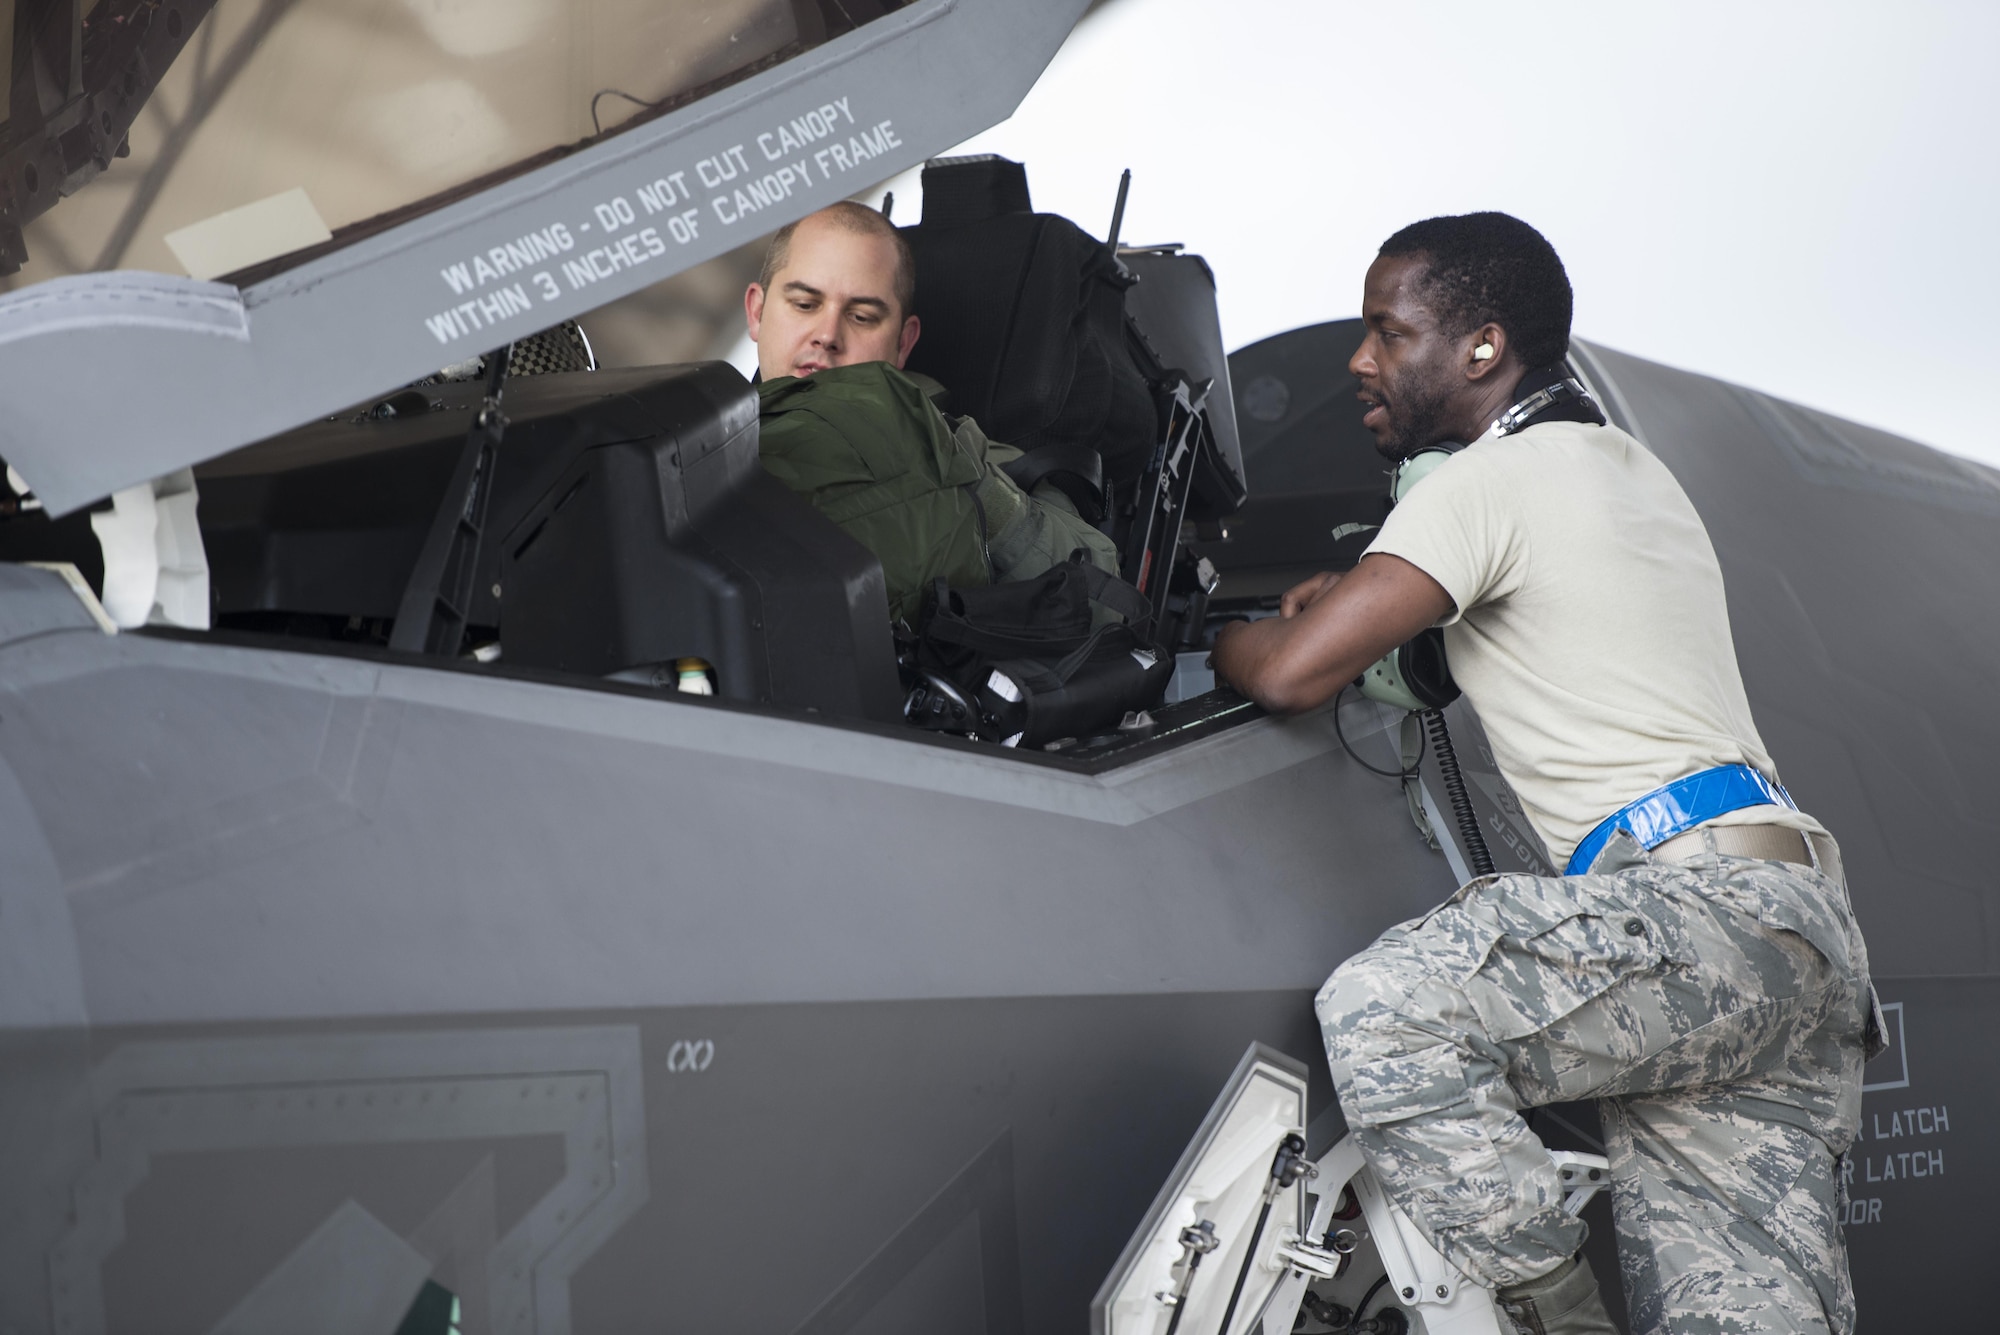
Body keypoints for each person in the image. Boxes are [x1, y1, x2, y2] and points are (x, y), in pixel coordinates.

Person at [1211, 213, 1879, 1335]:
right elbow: (1434, 668)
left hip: (1688, 909)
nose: (1356, 362)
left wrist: (1226, 633)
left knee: (1387, 1012)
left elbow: (1287, 677)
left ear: (1479, 349)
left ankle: (1559, 1323)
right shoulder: (1620, 470)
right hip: (1790, 927)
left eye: (1386, 332)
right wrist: (1352, 600)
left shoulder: (1487, 483)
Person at [745, 200, 1117, 623]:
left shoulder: (965, 454)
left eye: (862, 316)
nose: (828, 335)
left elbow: (1103, 597)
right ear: (757, 312)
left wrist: (956, 476)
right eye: (805, 305)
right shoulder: (689, 441)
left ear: (904, 342)